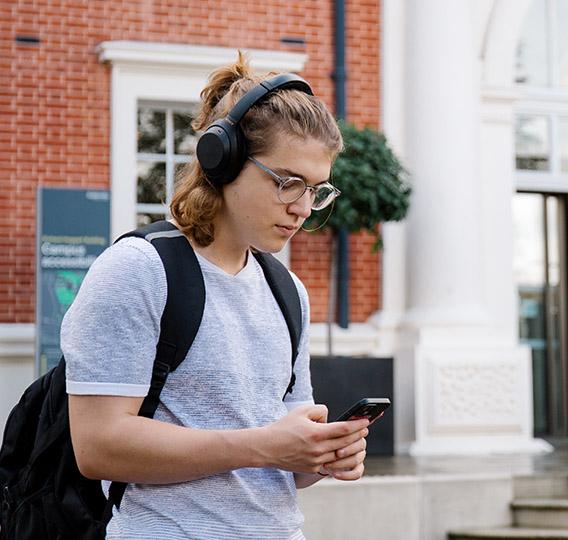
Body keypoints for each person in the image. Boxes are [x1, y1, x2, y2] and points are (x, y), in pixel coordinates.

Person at [62, 53, 369, 539]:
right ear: (220, 162)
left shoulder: (288, 291)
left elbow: (284, 460)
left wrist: (319, 455)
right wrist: (264, 446)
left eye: (317, 190)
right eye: (288, 182)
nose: (303, 209)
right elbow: (98, 446)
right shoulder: (139, 269)